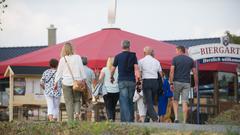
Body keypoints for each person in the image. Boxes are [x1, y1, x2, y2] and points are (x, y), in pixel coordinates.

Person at [54, 42, 86, 121]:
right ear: (72, 49)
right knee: (77, 100)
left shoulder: (62, 59)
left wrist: (55, 82)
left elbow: (59, 72)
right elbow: (81, 69)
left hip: (66, 82)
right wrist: (84, 79)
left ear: (63, 50)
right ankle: (77, 114)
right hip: (77, 82)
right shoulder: (78, 57)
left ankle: (70, 120)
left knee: (68, 102)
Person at [110, 40, 140, 122]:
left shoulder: (118, 56)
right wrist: (139, 80)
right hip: (132, 81)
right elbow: (136, 69)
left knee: (123, 100)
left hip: (122, 81)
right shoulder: (133, 56)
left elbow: (112, 69)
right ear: (129, 46)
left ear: (121, 46)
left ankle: (127, 121)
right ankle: (128, 120)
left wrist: (111, 77)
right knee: (130, 100)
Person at [169, 45, 198, 123]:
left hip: (176, 82)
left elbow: (172, 71)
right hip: (186, 83)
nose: (176, 52)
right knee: (185, 101)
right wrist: (196, 85)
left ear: (179, 50)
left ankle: (176, 118)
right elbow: (195, 73)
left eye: (176, 50)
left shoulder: (175, 59)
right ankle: (184, 121)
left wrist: (171, 83)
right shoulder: (191, 60)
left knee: (175, 100)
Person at [138, 46, 163, 122]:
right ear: (151, 52)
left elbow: (139, 73)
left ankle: (155, 118)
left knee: (149, 102)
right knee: (151, 101)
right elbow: (161, 74)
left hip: (146, 81)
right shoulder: (156, 61)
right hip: (155, 82)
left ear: (144, 53)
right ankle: (147, 119)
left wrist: (139, 84)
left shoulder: (141, 61)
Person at [98, 57, 119, 121]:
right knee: (113, 106)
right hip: (116, 90)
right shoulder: (118, 69)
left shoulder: (104, 69)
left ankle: (110, 118)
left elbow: (100, 79)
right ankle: (113, 119)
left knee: (108, 106)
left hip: (106, 91)